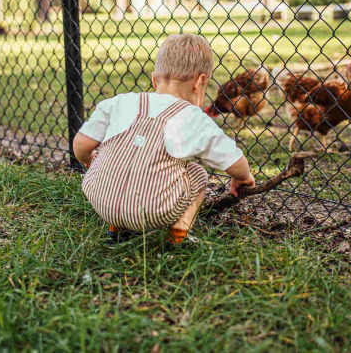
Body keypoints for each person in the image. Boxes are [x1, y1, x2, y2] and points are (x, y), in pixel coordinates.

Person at [73, 34, 255, 249]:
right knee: (197, 173)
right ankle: (177, 235)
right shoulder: (193, 118)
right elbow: (233, 161)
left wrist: (89, 159)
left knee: (117, 160)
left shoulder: (119, 103)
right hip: (153, 212)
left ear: (154, 79)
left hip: (101, 200)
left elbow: (82, 145)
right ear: (199, 82)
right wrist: (243, 179)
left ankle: (117, 229)